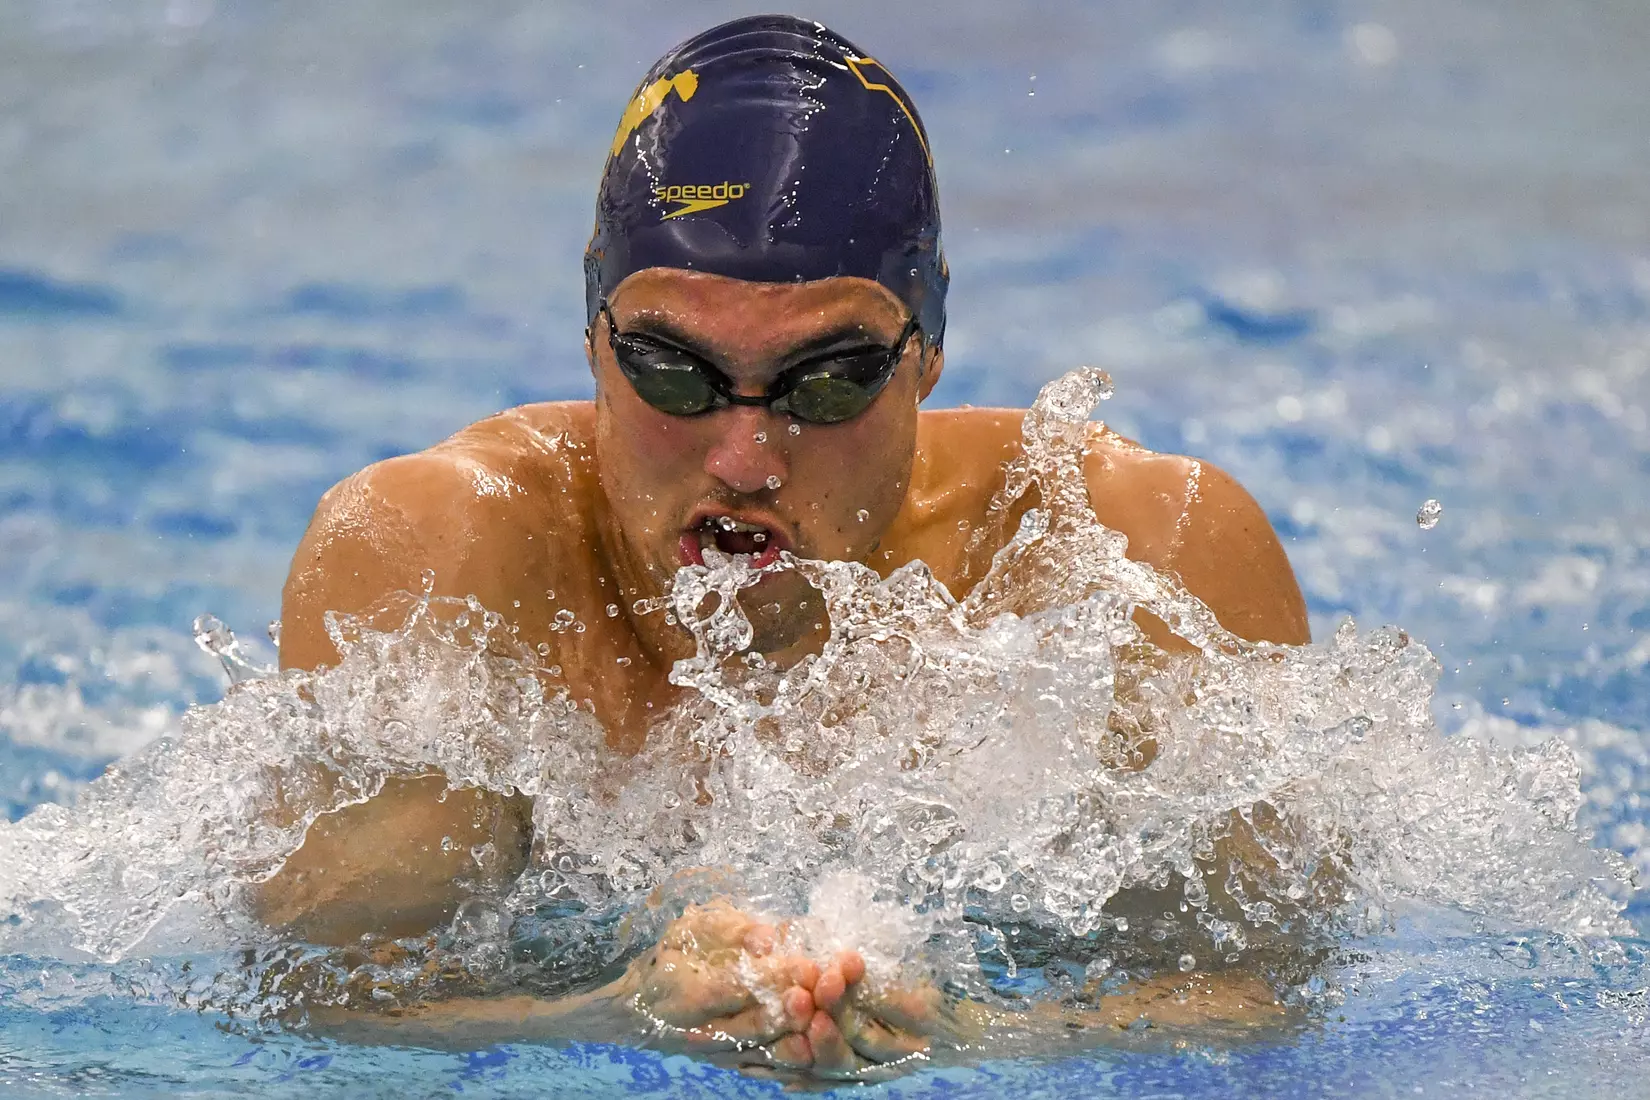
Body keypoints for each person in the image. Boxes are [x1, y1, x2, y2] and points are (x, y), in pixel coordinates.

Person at [258, 14, 1309, 1080]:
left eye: (828, 380)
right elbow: (326, 1007)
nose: (747, 457)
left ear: (929, 349)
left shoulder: (1130, 559)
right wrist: (615, 1008)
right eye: (675, 371)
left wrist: (986, 1039)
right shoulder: (437, 562)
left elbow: (1265, 1003)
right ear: (591, 331)